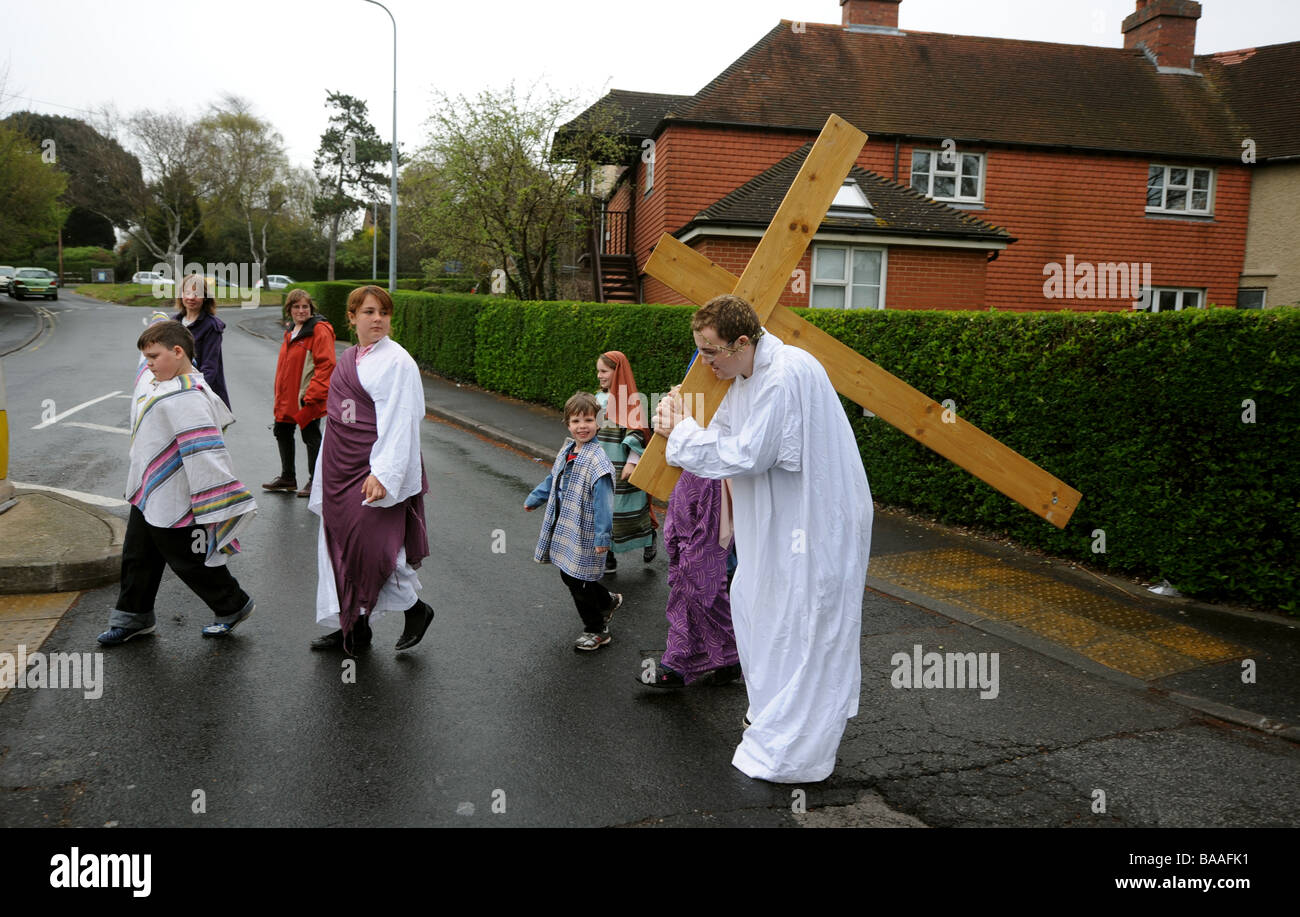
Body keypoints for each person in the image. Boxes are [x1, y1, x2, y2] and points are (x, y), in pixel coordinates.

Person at [654, 293, 872, 783]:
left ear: (743, 342)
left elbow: (751, 453)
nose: (705, 363)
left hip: (817, 525)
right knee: (760, 610)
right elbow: (724, 431)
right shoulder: (743, 375)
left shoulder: (785, 374)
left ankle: (798, 750)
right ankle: (773, 715)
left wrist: (682, 433)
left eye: (710, 352)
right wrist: (685, 413)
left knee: (807, 626)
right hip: (776, 529)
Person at [98, 318, 257, 645]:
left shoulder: (189, 396)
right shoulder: (161, 381)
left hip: (176, 496)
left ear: (178, 351)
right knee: (138, 555)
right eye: (146, 357)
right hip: (148, 491)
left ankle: (233, 604)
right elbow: (145, 373)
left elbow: (206, 453)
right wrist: (158, 324)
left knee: (187, 558)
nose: (149, 363)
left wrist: (225, 498)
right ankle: (133, 618)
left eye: (154, 356)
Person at [308, 285, 433, 654]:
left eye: (384, 312)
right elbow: (338, 420)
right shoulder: (351, 358)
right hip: (339, 469)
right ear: (352, 317)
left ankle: (416, 609)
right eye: (369, 312)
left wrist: (383, 473)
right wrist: (325, 468)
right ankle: (352, 626)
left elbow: (402, 421)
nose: (378, 318)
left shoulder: (398, 362)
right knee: (337, 546)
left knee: (373, 549)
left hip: (373, 471)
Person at [525, 391, 623, 652]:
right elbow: (553, 478)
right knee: (571, 575)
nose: (582, 427)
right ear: (567, 424)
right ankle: (606, 599)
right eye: (576, 421)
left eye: (588, 420)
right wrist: (536, 497)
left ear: (598, 422)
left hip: (585, 530)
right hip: (566, 525)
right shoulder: (568, 450)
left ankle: (597, 630)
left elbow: (604, 502)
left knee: (577, 578)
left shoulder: (597, 462)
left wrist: (603, 537)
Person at [639, 469, 742, 688]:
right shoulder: (686, 463)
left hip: (701, 550)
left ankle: (675, 666)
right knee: (711, 606)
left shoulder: (711, 473)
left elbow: (711, 526)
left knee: (691, 602)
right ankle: (730, 658)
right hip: (690, 547)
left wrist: (690, 557)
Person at [263, 289, 337, 498]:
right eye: (296, 307)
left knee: (311, 437)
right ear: (289, 310)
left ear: (311, 309)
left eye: (305, 306)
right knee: (282, 431)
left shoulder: (319, 330)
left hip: (306, 397)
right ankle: (288, 477)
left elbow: (326, 365)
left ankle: (317, 482)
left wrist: (312, 395)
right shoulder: (291, 331)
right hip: (287, 397)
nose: (301, 310)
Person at [594, 351, 656, 571]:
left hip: (622, 468)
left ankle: (648, 536)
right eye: (598, 371)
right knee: (603, 509)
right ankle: (608, 555)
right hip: (601, 467)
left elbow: (638, 433)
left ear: (617, 371)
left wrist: (632, 462)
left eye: (604, 371)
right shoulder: (597, 399)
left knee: (626, 510)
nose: (599, 376)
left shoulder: (631, 401)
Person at [173, 274, 230, 409]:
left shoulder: (212, 326)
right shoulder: (173, 323)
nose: (191, 297)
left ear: (205, 297)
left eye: (197, 293)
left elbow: (210, 367)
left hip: (203, 395)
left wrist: (194, 393)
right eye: (187, 292)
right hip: (176, 392)